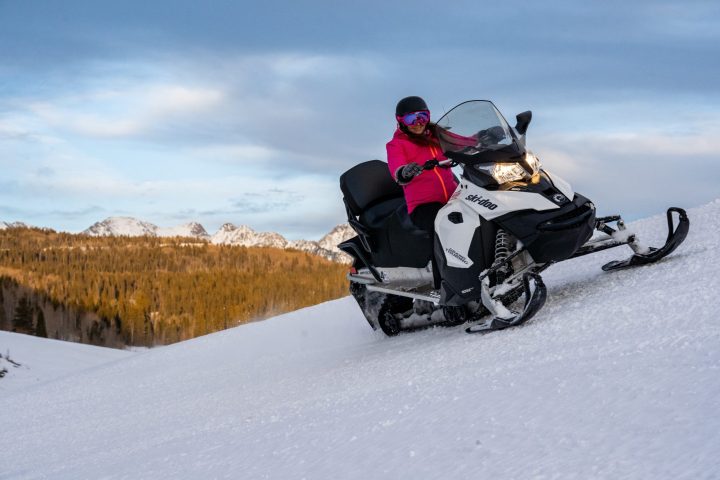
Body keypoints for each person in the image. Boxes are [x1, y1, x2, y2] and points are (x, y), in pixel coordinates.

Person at [386, 96, 458, 235]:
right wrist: (405, 171)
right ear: (400, 121)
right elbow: (396, 168)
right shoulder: (396, 145)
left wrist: (485, 136)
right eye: (410, 119)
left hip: (453, 197)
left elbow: (462, 142)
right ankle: (437, 257)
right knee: (444, 229)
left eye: (422, 117)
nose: (418, 123)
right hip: (423, 207)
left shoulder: (437, 135)